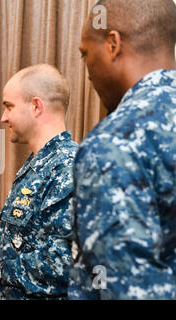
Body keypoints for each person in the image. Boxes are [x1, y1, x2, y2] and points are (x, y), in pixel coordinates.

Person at [69, 0, 176, 299]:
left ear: (113, 44)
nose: (87, 71)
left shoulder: (114, 144)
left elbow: (126, 289)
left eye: (85, 54)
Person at [0, 64, 79, 299]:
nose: (3, 117)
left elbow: (68, 262)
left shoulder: (68, 168)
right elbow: (31, 242)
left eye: (9, 106)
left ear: (36, 106)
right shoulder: (38, 164)